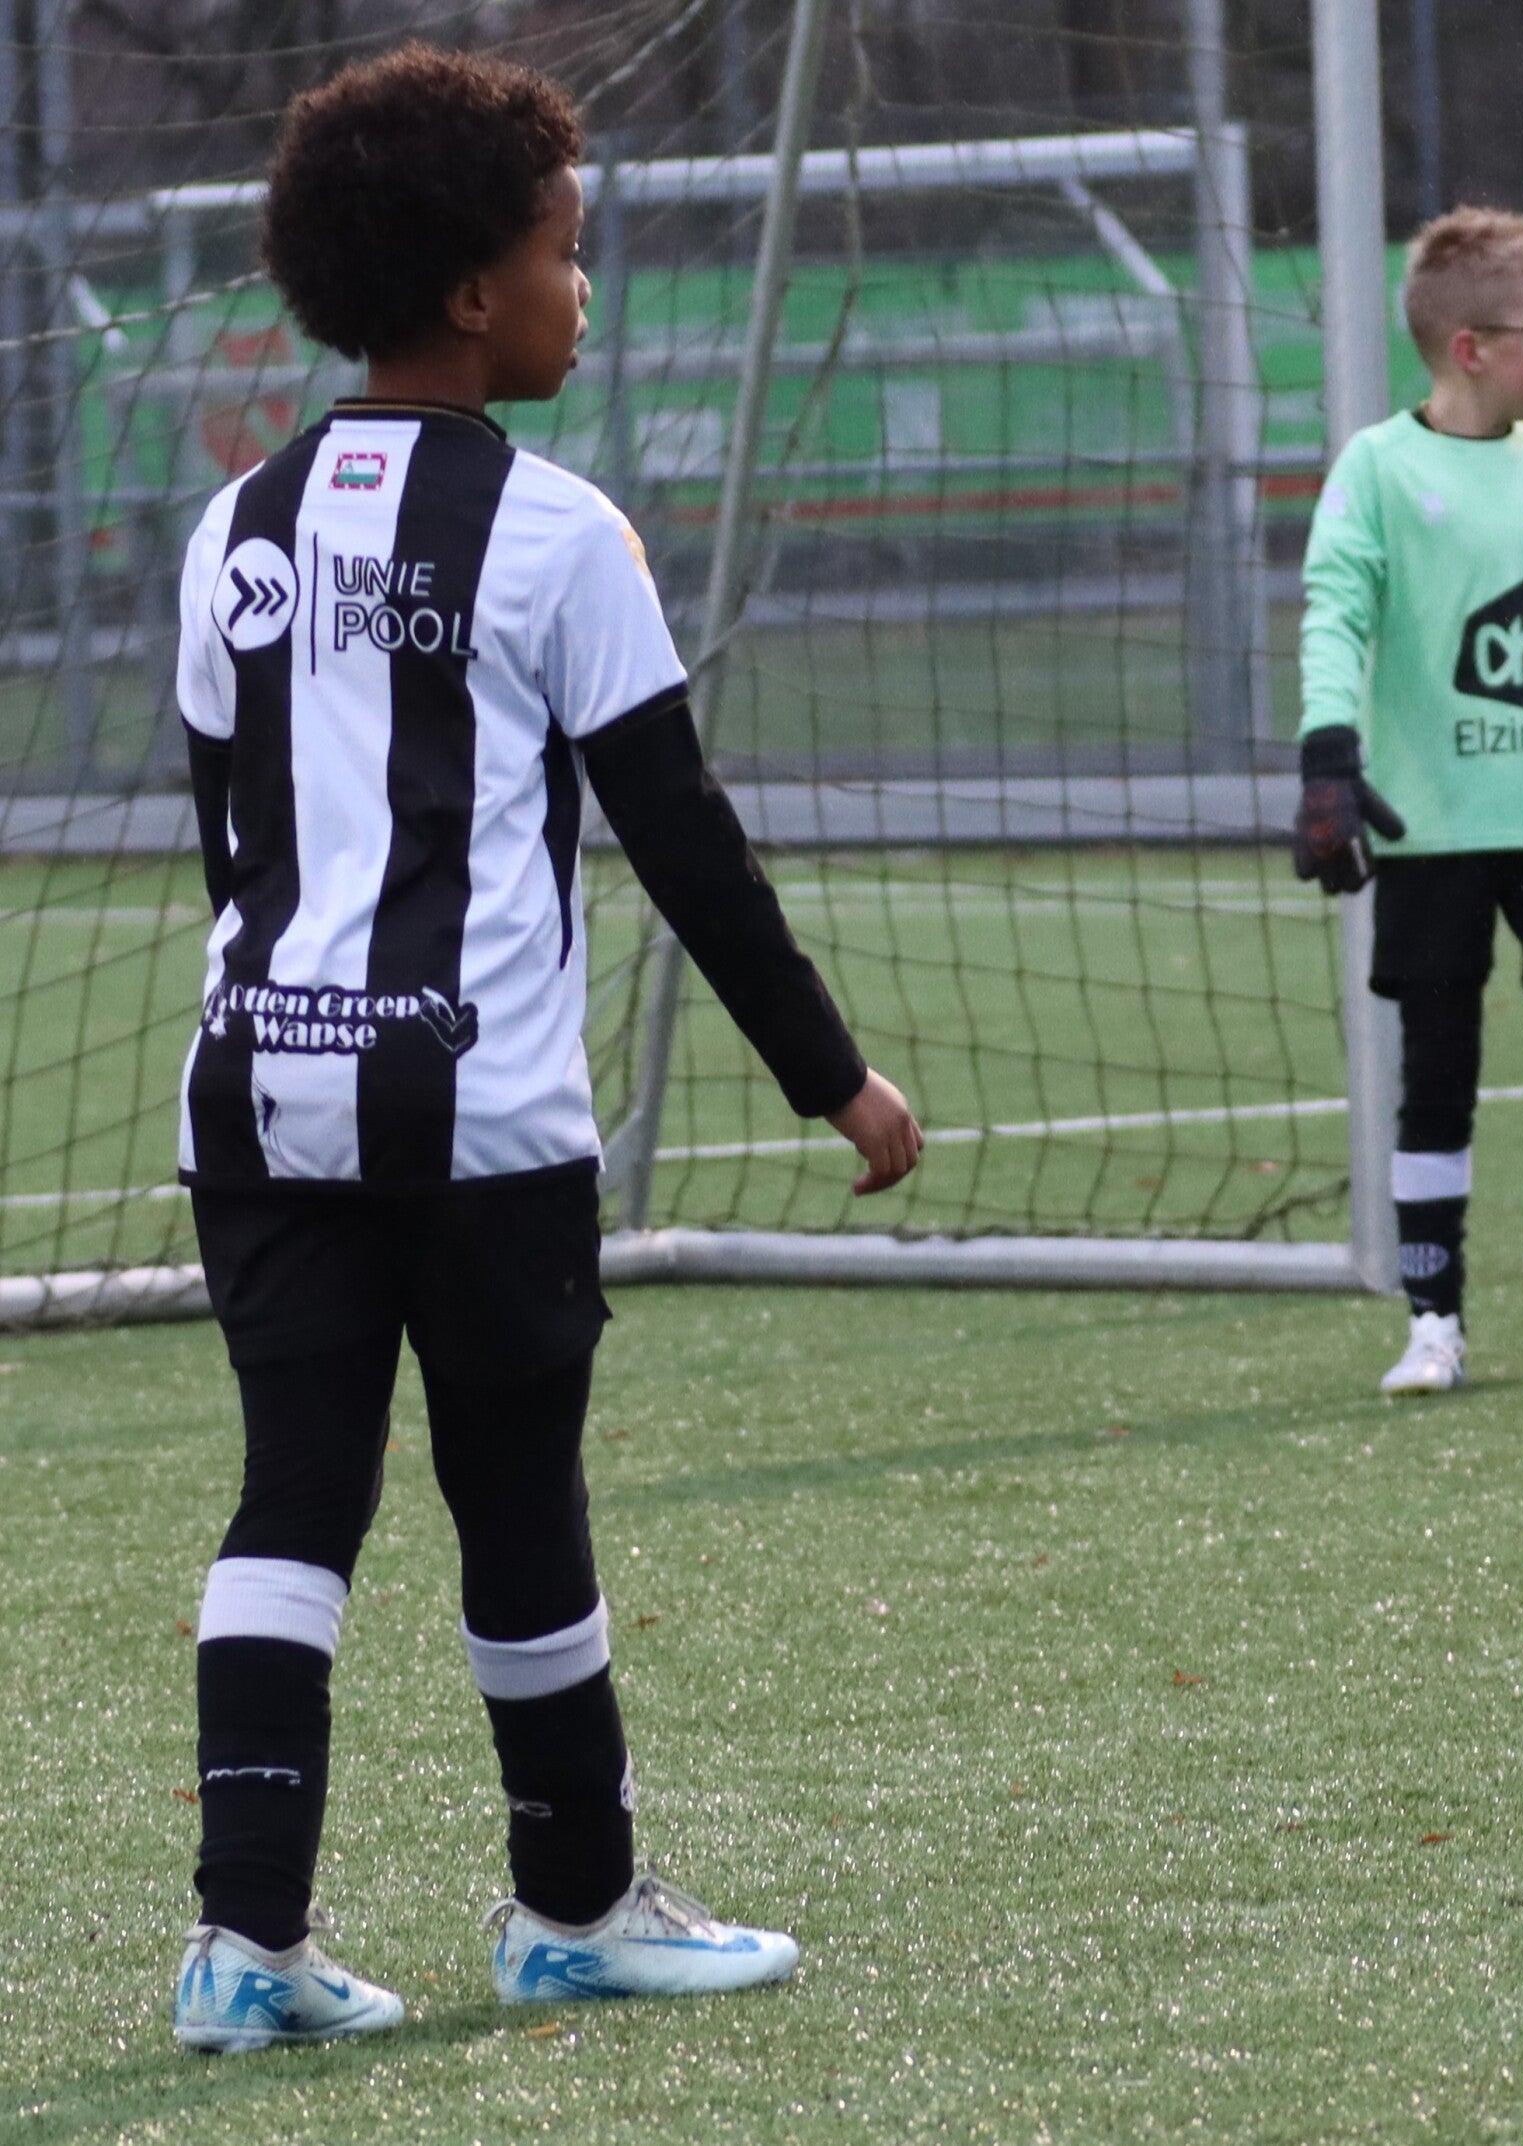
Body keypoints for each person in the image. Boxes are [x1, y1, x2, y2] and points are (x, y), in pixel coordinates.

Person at [169, 43, 925, 2052]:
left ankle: (242, 1947)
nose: (585, 292)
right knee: (516, 1502)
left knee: (292, 1497)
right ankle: (576, 1904)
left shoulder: (233, 526)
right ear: (471, 291)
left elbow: (229, 833)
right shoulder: (559, 530)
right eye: (566, 254)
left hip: (257, 1088)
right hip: (482, 1111)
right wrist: (833, 1075)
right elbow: (682, 836)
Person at [1292, 206, 1523, 1397]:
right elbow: (1334, 615)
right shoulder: (1378, 468)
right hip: (1433, 828)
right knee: (1438, 1072)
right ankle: (1434, 1318)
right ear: (1471, 348)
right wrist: (1325, 758)